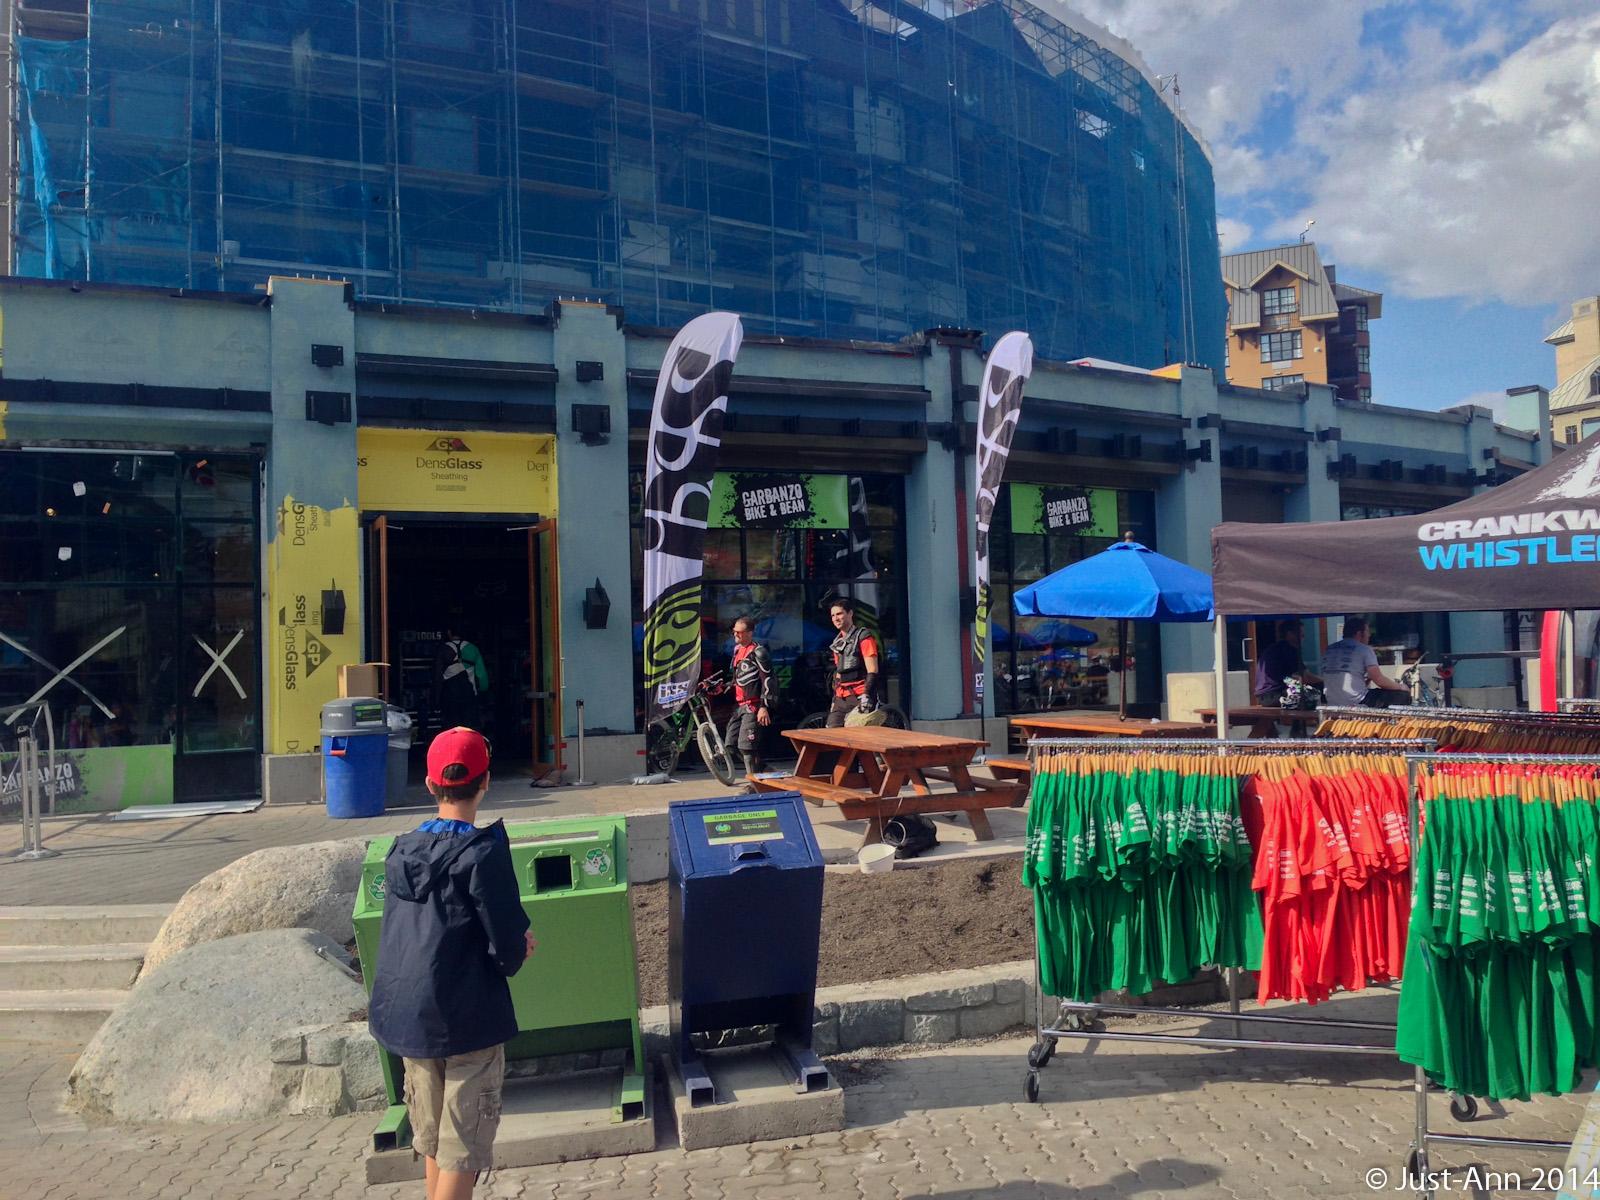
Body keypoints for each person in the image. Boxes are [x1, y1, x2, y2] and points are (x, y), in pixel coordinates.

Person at [367, 728, 534, 1200]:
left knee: (434, 1141)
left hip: (410, 1019)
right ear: (486, 783)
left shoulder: (401, 850)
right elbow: (505, 943)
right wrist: (520, 946)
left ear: (427, 784)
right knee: (462, 1146)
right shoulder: (482, 853)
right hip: (468, 1020)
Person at [726, 615, 776, 782]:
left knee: (747, 748)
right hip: (739, 706)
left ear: (749, 633)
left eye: (740, 633)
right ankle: (764, 770)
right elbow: (738, 677)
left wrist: (764, 706)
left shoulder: (759, 652)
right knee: (731, 744)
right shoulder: (737, 651)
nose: (736, 636)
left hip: (754, 706)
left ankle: (753, 784)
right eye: (734, 632)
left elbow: (768, 679)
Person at [1320, 617, 1410, 708]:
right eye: (1367, 631)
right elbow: (1379, 680)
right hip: (1357, 701)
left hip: (1332, 700)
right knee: (1402, 696)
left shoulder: (1329, 649)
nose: (1369, 635)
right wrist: (1400, 687)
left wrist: (1366, 680)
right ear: (1359, 633)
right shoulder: (1363, 649)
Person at [824, 597, 881, 727]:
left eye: (839, 614)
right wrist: (834, 700)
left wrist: (866, 694)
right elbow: (838, 674)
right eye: (833, 615)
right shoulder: (837, 643)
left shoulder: (864, 636)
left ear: (850, 613)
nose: (835, 618)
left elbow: (872, 670)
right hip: (842, 697)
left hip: (860, 694)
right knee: (832, 731)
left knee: (859, 736)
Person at [433, 622, 489, 733]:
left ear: (449, 632)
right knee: (470, 730)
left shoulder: (443, 649)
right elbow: (482, 676)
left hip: (449, 698)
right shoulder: (473, 649)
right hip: (469, 697)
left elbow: (437, 678)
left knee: (450, 731)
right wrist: (483, 691)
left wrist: (435, 700)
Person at [1254, 621, 1323, 705]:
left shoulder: (1273, 649)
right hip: (1277, 693)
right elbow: (1306, 677)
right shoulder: (1289, 650)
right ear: (1289, 634)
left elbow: (1286, 677)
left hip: (1263, 696)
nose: (1303, 637)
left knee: (1305, 690)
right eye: (1301, 634)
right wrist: (1325, 681)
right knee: (1313, 693)